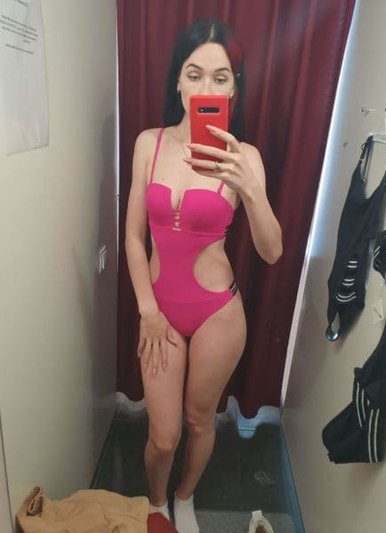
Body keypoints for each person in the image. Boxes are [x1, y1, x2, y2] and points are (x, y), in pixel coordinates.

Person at [125, 19, 282, 533]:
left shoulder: (245, 157)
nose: (206, 87)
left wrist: (249, 188)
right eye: (194, 74)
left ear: (234, 88)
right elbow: (133, 238)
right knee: (163, 436)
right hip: (159, 310)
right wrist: (147, 310)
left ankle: (186, 498)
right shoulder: (148, 144)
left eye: (220, 77)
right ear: (178, 80)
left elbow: (272, 252)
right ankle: (156, 503)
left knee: (199, 420)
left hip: (218, 311)